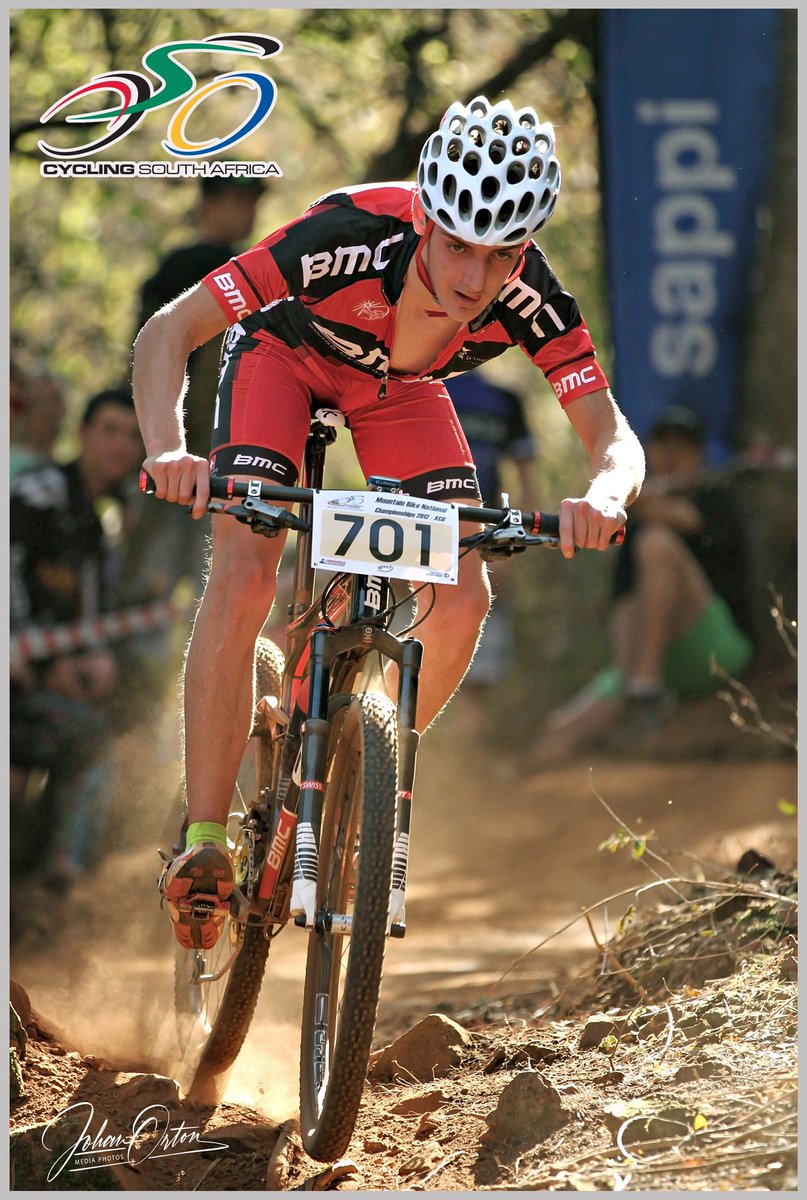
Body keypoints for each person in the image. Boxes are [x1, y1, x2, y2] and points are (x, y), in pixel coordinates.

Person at [132, 95, 645, 950]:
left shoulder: (530, 294)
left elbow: (610, 434)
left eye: (503, 252)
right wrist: (166, 448)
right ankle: (207, 842)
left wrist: (603, 497)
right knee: (247, 566)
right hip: (283, 358)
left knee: (463, 593)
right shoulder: (345, 236)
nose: (475, 279)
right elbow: (169, 331)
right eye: (456, 245)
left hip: (398, 392)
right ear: (425, 217)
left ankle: (355, 769)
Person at [115, 176, 269, 694]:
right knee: (157, 589)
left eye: (252, 201)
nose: (246, 212)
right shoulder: (199, 269)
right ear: (208, 203)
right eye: (236, 200)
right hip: (178, 459)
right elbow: (152, 352)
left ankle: (166, 703)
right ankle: (136, 699)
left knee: (203, 587)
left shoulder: (238, 265)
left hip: (216, 464)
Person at [538, 404, 756, 755]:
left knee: (657, 543)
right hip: (646, 659)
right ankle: (640, 690)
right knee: (559, 732)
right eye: (664, 447)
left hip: (716, 647)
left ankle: (646, 686)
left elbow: (687, 520)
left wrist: (627, 499)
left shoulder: (715, 500)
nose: (672, 457)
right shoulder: (634, 524)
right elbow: (627, 601)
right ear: (650, 452)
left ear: (699, 455)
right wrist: (623, 682)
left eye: (683, 449)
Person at [10, 386, 145, 891]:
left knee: (90, 739)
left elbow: (91, 616)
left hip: (36, 684)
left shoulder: (101, 523)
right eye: (109, 430)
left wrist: (90, 659)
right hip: (18, 672)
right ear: (82, 434)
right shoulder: (36, 492)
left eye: (132, 436)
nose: (120, 445)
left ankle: (54, 885)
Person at [445, 369, 538, 688]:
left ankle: (473, 736)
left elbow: (526, 481)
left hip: (482, 539)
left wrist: (511, 544)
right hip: (425, 533)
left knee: (479, 672)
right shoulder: (420, 386)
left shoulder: (505, 399)